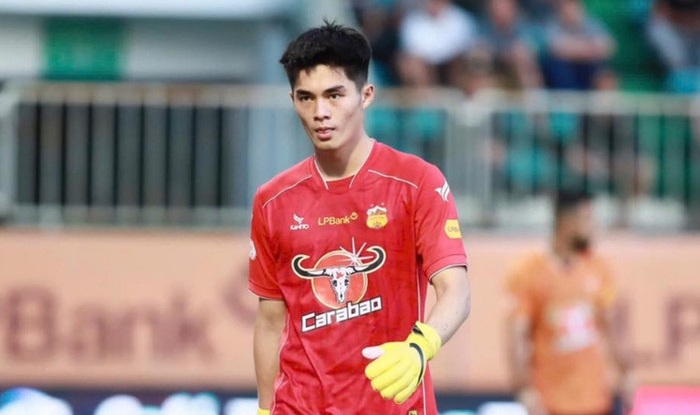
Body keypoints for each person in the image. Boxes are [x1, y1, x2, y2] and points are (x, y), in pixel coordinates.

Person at [248, 21, 471, 415]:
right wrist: (265, 410)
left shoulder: (417, 182)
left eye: (334, 95)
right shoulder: (272, 200)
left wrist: (421, 348)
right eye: (306, 98)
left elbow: (456, 290)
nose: (320, 113)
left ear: (366, 95)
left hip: (394, 405)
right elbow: (269, 321)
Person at [505, 190, 635, 415]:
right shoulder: (528, 273)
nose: (593, 226)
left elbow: (612, 328)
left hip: (596, 401)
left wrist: (626, 373)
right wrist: (525, 390)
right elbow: (517, 335)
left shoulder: (598, 268)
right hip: (551, 403)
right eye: (587, 219)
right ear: (566, 222)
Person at [541, 0, 615, 90]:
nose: (571, 12)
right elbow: (556, 49)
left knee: (602, 69)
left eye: (574, 8)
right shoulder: (552, 24)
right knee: (557, 65)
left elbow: (607, 48)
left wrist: (575, 49)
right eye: (567, 8)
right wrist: (588, 48)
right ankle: (568, 96)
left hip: (588, 66)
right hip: (565, 68)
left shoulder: (592, 24)